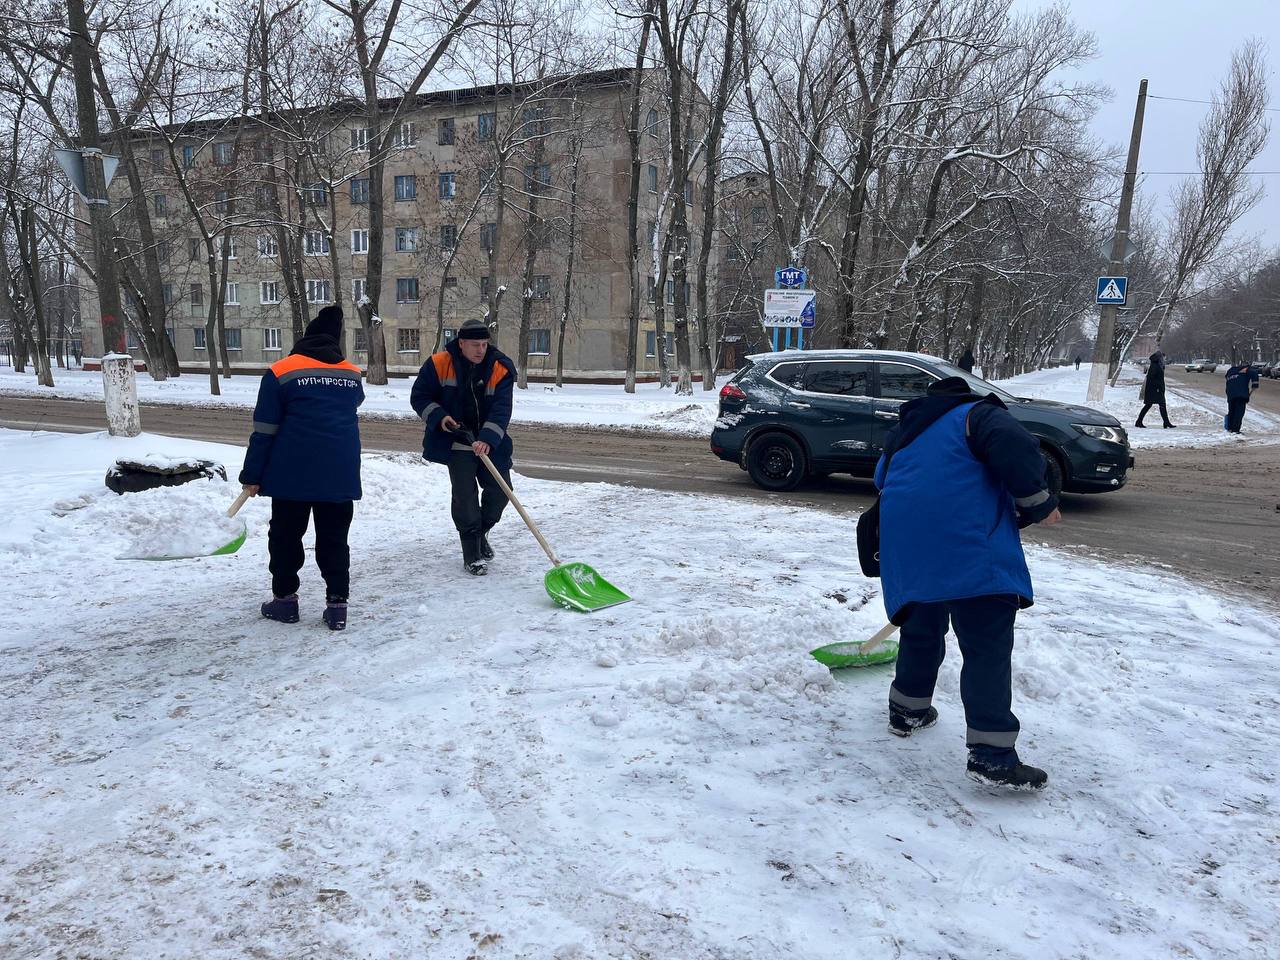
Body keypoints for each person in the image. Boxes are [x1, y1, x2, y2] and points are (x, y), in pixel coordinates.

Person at [873, 377, 1061, 790]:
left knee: (921, 628)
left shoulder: (905, 430)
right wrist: (1039, 505)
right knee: (986, 645)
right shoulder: (979, 415)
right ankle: (992, 755)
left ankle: (908, 710)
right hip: (970, 547)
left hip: (909, 547)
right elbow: (1018, 450)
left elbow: (880, 478)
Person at [240, 305, 364, 631]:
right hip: (339, 473)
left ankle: (285, 602)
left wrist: (252, 474)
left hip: (291, 474)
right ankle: (337, 607)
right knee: (334, 539)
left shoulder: (281, 371)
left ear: (304, 338)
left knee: (286, 536)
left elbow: (265, 429)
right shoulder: (352, 375)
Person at [410, 318, 516, 575]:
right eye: (475, 345)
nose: (481, 350)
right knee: (465, 499)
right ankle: (472, 553)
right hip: (457, 443)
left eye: (484, 344)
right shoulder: (439, 364)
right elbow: (419, 396)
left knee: (501, 493)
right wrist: (440, 417)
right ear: (461, 344)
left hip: (491, 442)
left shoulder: (500, 367)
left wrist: (487, 439)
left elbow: (502, 409)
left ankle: (480, 535)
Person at [1135, 350, 1176, 429]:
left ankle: (1166, 422)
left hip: (1156, 389)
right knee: (1153, 405)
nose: (1164, 359)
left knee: (1157, 405)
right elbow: (1153, 379)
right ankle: (1139, 421)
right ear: (1159, 358)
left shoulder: (1157, 365)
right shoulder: (1155, 366)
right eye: (1163, 357)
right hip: (1154, 390)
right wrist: (1158, 388)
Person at [1224, 359, 1261, 433]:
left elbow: (1226, 376)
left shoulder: (1231, 370)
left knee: (1232, 411)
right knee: (1239, 412)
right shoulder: (1247, 369)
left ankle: (1230, 428)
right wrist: (1254, 386)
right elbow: (1254, 374)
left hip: (1230, 394)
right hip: (1241, 394)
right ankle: (1235, 430)